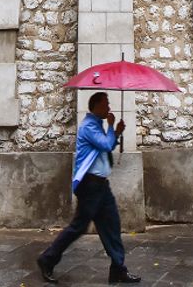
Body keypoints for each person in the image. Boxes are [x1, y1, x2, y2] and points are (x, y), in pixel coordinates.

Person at [36, 92, 141, 284]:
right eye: (106, 104)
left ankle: (118, 269)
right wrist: (113, 129)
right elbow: (106, 145)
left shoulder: (96, 125)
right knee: (78, 226)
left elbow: (104, 147)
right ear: (96, 106)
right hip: (90, 185)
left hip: (101, 185)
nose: (109, 107)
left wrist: (116, 131)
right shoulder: (88, 126)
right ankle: (47, 259)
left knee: (112, 225)